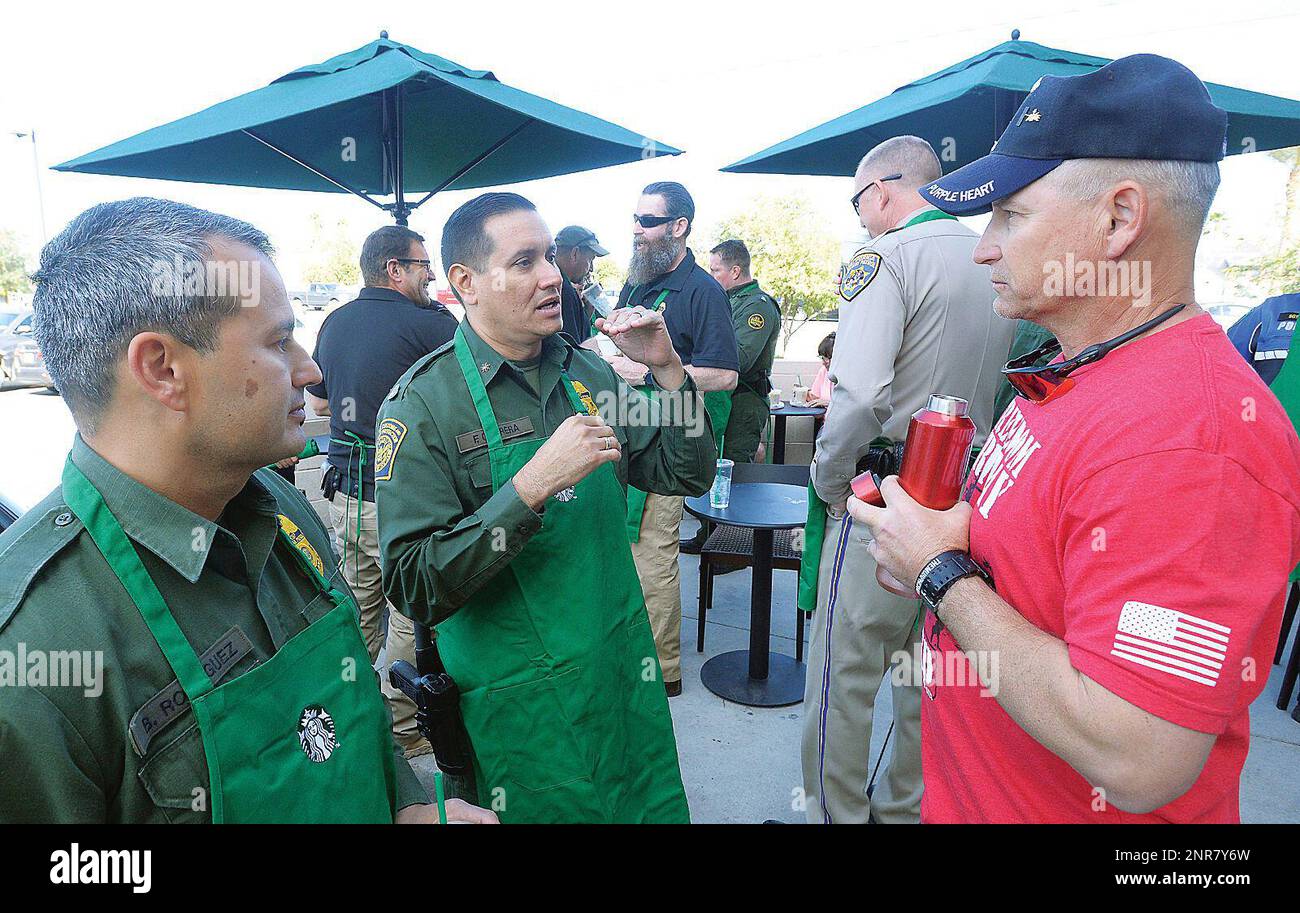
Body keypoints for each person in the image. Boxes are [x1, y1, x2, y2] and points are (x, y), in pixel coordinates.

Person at [854, 54, 1300, 823]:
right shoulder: (1077, 365)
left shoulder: (1190, 436)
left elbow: (1138, 753)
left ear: (1121, 218)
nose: (983, 246)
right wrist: (949, 538)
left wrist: (937, 569)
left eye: (1011, 215)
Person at [0, 197, 493, 823]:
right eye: (279, 340)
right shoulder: (30, 654)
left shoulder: (278, 506)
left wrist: (407, 807)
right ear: (163, 369)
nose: (310, 370)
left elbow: (345, 720)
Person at [375, 192, 715, 823]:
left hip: (617, 677)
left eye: (551, 256)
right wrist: (528, 488)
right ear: (466, 283)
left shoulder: (588, 373)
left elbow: (684, 473)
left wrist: (668, 369)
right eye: (525, 260)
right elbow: (415, 585)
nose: (553, 274)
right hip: (520, 705)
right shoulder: (422, 405)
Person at [799, 136, 1014, 825]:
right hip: (967, 498)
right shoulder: (990, 258)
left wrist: (832, 483)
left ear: (881, 192)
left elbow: (858, 395)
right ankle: (902, 813)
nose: (861, 218)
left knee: (844, 678)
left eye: (859, 202)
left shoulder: (884, 256)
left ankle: (836, 816)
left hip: (886, 497)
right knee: (927, 679)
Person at [306, 225, 458, 756]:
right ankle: (399, 731)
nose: (431, 275)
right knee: (409, 614)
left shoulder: (335, 322)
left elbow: (322, 404)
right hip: (399, 499)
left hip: (343, 492)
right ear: (395, 269)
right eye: (423, 266)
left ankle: (345, 717)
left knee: (357, 609)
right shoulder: (431, 326)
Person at [611, 181, 740, 696]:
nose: (636, 230)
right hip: (625, 432)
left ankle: (662, 670)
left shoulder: (702, 291)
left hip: (670, 440)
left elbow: (725, 374)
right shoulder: (636, 284)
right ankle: (632, 649)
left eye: (647, 221)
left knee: (653, 551)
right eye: (635, 219)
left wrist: (647, 372)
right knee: (627, 549)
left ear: (679, 226)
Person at [707, 239, 782, 463]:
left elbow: (740, 359)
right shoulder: (728, 301)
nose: (711, 276)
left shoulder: (757, 305)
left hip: (744, 400)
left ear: (736, 271)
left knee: (735, 469)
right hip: (721, 398)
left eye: (715, 270)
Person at [554, 224, 610, 343]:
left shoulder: (552, 282)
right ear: (575, 253)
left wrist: (585, 313)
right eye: (591, 259)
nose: (591, 269)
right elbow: (575, 352)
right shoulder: (564, 290)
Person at [808, 332, 835, 408]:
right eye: (822, 358)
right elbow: (817, 414)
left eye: (827, 357)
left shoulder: (850, 376)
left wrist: (830, 403)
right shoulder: (824, 371)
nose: (824, 362)